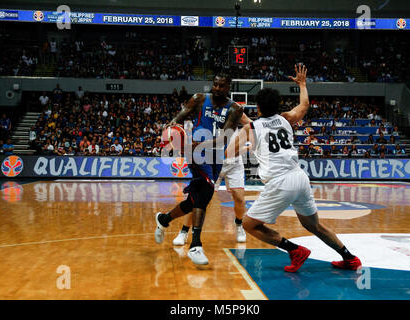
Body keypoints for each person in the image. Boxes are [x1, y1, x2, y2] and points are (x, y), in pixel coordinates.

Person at [225, 64, 362, 273]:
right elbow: (304, 105)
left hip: (280, 182)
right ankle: (350, 258)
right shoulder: (285, 118)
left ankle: (294, 250)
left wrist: (246, 144)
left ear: (258, 107)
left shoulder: (251, 128)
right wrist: (303, 84)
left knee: (249, 225)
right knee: (314, 225)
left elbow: (229, 153)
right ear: (277, 106)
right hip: (299, 178)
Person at [154, 73, 244, 265]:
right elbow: (181, 115)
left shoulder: (235, 109)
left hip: (215, 155)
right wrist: (172, 126)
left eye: (222, 86)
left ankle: (164, 219)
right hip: (195, 153)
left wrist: (201, 145)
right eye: (215, 85)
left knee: (197, 198)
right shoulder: (200, 98)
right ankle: (195, 245)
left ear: (229, 87)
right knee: (204, 192)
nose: (217, 88)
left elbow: (225, 139)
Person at [172, 114, 252, 246]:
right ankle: (184, 232)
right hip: (212, 162)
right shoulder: (206, 111)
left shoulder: (235, 109)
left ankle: (239, 225)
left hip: (233, 162)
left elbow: (251, 124)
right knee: (196, 199)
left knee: (239, 198)